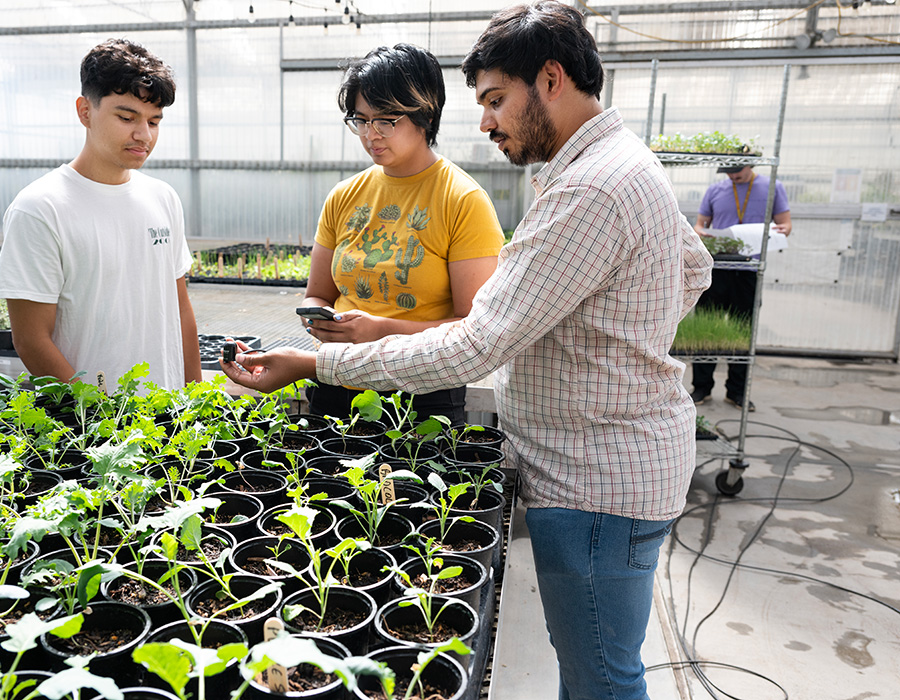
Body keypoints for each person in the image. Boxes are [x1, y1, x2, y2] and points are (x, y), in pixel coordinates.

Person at [221, 3, 712, 698]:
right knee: (596, 658)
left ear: (550, 78)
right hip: (611, 464)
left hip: (598, 476)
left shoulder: (591, 187)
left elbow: (472, 347)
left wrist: (314, 362)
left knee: (601, 674)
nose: (484, 121)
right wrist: (618, 337)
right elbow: (695, 270)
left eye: (494, 100)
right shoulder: (621, 163)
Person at [300, 43, 505, 425]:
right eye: (360, 120)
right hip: (338, 380)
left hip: (423, 394)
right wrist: (322, 320)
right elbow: (318, 293)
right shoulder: (344, 196)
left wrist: (380, 330)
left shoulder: (462, 200)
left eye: (386, 120)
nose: (370, 134)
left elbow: (474, 328)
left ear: (424, 113)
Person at [0, 39, 201, 391]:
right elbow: (31, 339)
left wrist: (194, 401)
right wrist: (99, 416)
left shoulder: (163, 198)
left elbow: (180, 309)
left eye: (154, 121)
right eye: (126, 117)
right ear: (85, 111)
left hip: (169, 417)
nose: (143, 135)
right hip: (93, 430)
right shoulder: (41, 208)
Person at [691, 164, 791, 411]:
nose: (734, 177)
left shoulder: (772, 188)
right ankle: (701, 388)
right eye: (729, 173)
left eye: (739, 172)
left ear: (751, 165)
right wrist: (702, 234)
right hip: (717, 269)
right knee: (706, 328)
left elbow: (786, 224)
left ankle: (737, 392)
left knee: (743, 330)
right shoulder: (715, 190)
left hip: (749, 271)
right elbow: (699, 225)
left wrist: (783, 231)